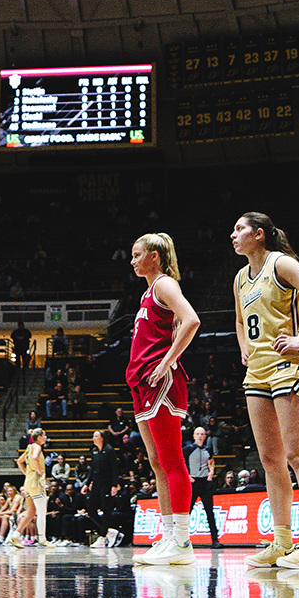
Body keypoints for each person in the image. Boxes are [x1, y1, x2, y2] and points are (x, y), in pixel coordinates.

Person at [229, 212, 299, 569]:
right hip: (256, 372)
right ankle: (283, 541)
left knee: (298, 455)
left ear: (259, 235)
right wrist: (244, 345)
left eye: (240, 228)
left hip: (290, 365)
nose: (233, 234)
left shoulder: (281, 263)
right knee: (271, 460)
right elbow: (241, 320)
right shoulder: (240, 277)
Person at [126, 233, 201, 566]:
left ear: (154, 256)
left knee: (171, 461)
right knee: (157, 463)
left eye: (137, 254)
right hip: (142, 381)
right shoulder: (147, 292)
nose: (132, 260)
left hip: (161, 382)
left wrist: (168, 360)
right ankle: (169, 535)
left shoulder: (165, 285)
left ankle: (182, 541)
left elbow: (192, 319)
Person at [10, 429, 51, 548]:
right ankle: (42, 539)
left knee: (31, 512)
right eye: (44, 435)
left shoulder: (29, 447)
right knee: (42, 512)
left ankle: (15, 536)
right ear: (38, 437)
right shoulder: (37, 447)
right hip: (36, 482)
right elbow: (34, 457)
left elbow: (19, 461)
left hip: (28, 482)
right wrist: (38, 470)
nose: (45, 437)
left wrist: (27, 473)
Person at [185, 427, 220, 548]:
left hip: (205, 483)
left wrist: (211, 472)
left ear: (205, 437)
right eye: (198, 434)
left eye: (202, 434)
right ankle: (181, 539)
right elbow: (180, 462)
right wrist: (186, 475)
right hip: (193, 482)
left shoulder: (207, 449)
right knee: (187, 512)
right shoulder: (188, 449)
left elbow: (211, 461)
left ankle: (215, 540)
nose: (200, 436)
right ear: (194, 436)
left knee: (210, 512)